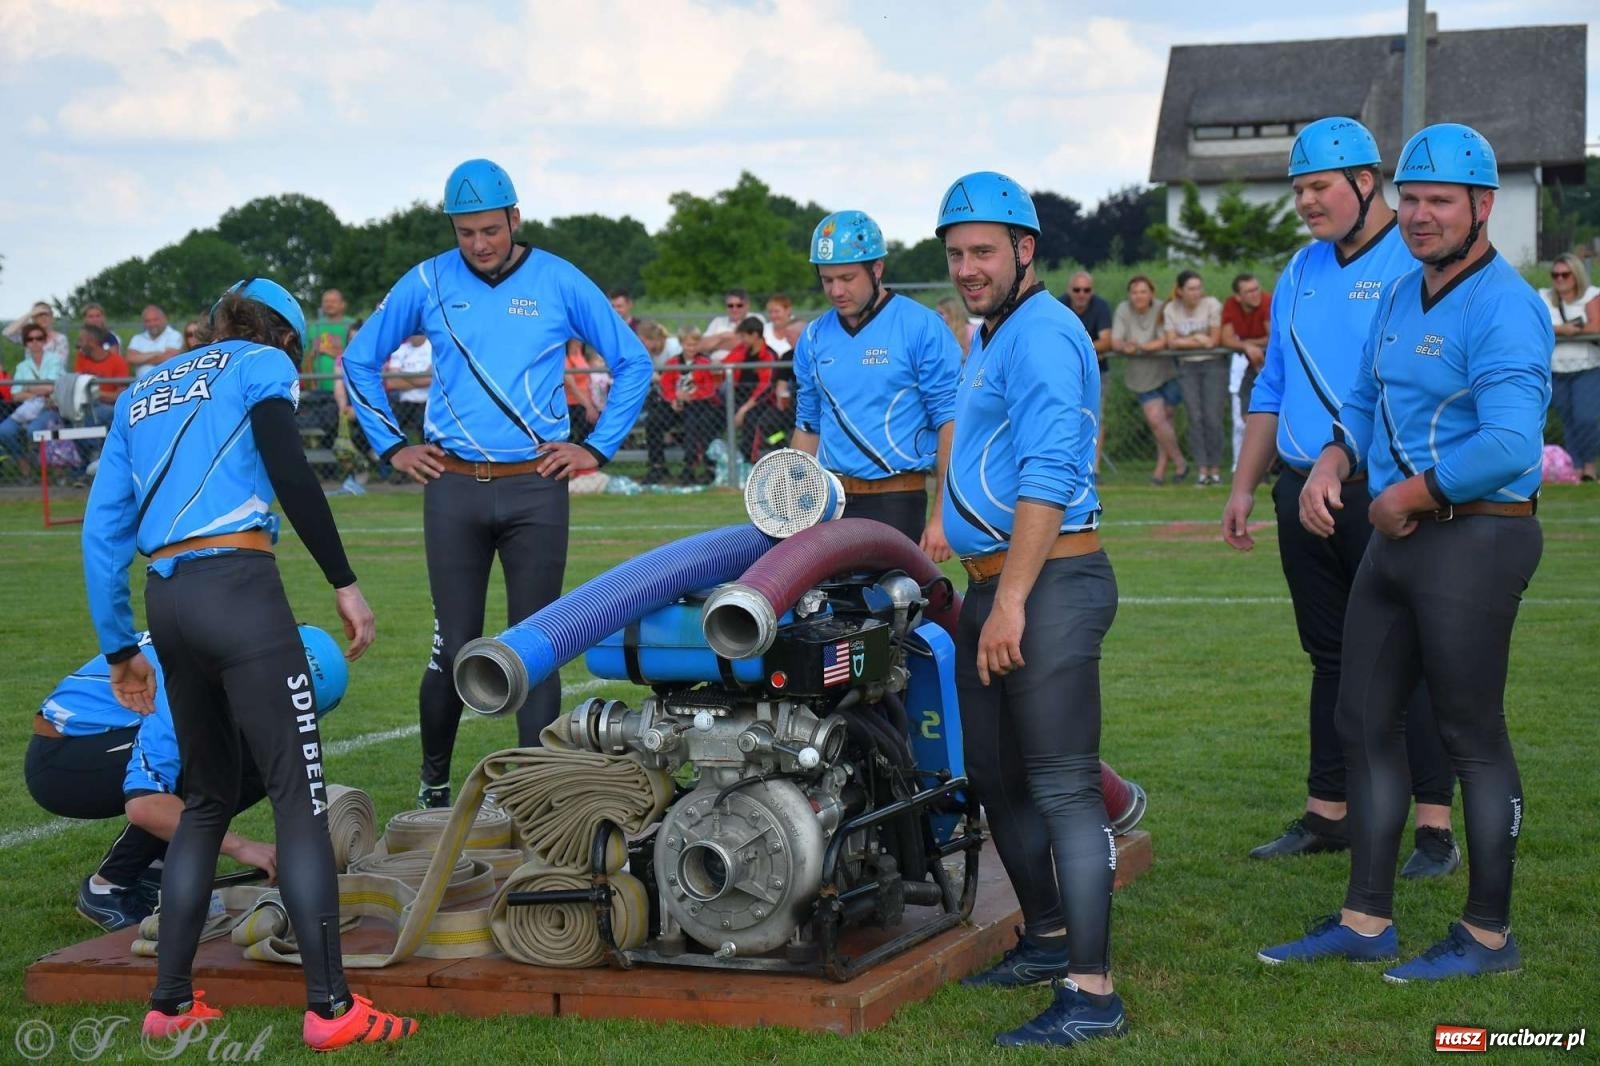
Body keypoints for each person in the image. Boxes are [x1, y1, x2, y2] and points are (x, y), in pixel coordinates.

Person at [81, 277, 415, 1048]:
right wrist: (344, 582)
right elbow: (290, 469)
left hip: (166, 598)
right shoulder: (264, 366)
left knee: (203, 799)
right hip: (238, 587)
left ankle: (169, 1003)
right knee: (299, 799)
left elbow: (103, 532)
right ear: (285, 339)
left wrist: (120, 646)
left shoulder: (142, 389)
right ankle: (333, 1010)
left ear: (215, 320)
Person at [1262, 123, 1551, 982]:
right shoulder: (1403, 291)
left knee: (1470, 735)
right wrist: (1333, 459)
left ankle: (1488, 936)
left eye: (1441, 201)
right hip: (1402, 538)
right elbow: (1362, 396)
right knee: (1362, 719)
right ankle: (1365, 919)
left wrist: (1407, 495)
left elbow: (1510, 443)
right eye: (1413, 198)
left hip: (1477, 537)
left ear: (1482, 207)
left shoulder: (1507, 304)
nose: (1421, 216)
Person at [341, 158, 651, 809]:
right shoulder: (426, 281)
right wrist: (392, 446)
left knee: (535, 643)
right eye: (464, 232)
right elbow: (359, 358)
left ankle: (536, 795)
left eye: (489, 229)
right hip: (452, 488)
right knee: (454, 646)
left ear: (515, 217)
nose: (478, 244)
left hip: (536, 488)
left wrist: (595, 448)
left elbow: (632, 361)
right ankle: (433, 787)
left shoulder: (559, 279)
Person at [1222, 116, 1458, 874]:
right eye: (1297, 190)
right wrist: (1244, 485)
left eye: (1318, 186)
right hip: (1302, 490)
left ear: (1365, 182)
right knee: (1329, 656)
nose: (1305, 203)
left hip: (1388, 492)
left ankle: (1434, 829)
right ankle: (1330, 814)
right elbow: (1275, 384)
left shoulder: (1414, 260)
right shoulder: (1300, 269)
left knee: (1411, 656)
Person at [937, 172, 1126, 1047]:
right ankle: (1048, 936)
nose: (968, 266)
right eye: (956, 253)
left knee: (1059, 787)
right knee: (993, 776)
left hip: (1043, 586)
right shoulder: (996, 329)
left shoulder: (1044, 332)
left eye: (984, 250)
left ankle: (1092, 995)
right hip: (995, 586)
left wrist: (1011, 600)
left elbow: (1052, 472)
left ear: (1025, 250)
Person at [27, 628, 345, 932]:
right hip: (62, 763)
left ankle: (156, 868)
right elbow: (146, 806)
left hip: (98, 737)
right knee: (214, 754)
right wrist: (244, 847)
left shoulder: (238, 653)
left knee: (253, 751)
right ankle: (109, 888)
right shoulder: (184, 687)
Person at [791, 210, 959, 557]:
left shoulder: (922, 326)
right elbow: (808, 427)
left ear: (877, 268)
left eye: (847, 277)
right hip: (829, 500)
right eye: (827, 280)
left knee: (890, 606)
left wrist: (942, 517)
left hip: (897, 500)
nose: (837, 290)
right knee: (822, 609)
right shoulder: (813, 336)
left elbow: (951, 423)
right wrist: (793, 510)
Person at [1112, 275, 1186, 484]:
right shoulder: (1123, 310)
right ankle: (1180, 463)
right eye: (1135, 292)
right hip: (1141, 376)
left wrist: (1141, 347)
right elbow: (1116, 340)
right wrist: (1124, 347)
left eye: (1143, 291)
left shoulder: (1163, 308)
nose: (1139, 296)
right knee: (1157, 420)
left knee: (1165, 423)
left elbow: (1165, 340)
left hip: (1168, 372)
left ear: (1151, 293)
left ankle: (1160, 472)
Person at [1163, 270, 1226, 485]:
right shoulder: (1172, 308)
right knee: (1195, 417)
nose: (1196, 293)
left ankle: (1215, 469)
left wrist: (1187, 340)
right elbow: (1172, 342)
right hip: (1187, 366)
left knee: (1213, 417)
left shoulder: (1211, 305)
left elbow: (1215, 340)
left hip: (1213, 365)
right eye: (1190, 288)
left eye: (1198, 287)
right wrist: (1199, 338)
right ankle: (1202, 469)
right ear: (1180, 290)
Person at [1542, 252, 1600, 481]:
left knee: (1587, 418)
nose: (1559, 279)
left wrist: (1566, 329)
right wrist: (1563, 330)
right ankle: (1576, 468)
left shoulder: (1591, 295)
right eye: (1555, 275)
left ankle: (1589, 464)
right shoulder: (1545, 297)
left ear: (1576, 275)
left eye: (1565, 274)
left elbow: (1596, 324)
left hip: (1587, 367)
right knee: (1568, 420)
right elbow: (1539, 323)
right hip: (1556, 368)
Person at [0, 320, 70, 472]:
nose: (35, 342)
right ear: (26, 343)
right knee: (4, 431)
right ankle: (23, 461)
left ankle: (45, 467)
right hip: (27, 409)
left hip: (50, 407)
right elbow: (15, 395)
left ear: (44, 341)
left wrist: (28, 387)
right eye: (30, 339)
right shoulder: (22, 366)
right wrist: (39, 389)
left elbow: (52, 387)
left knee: (34, 430)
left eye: (39, 338)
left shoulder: (55, 360)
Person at [1061, 272, 1113, 471]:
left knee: (1096, 418)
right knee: (1067, 417)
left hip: (1097, 374)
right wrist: (1091, 350)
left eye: (1086, 290)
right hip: (1066, 374)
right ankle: (1068, 464)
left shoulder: (1100, 307)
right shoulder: (1059, 306)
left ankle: (1094, 468)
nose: (1081, 294)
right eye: (1077, 290)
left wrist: (1075, 350)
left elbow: (1107, 341)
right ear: (1069, 290)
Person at [1221, 273, 1271, 471]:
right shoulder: (1231, 306)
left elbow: (1272, 336)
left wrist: (1246, 343)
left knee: (1274, 416)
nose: (1254, 294)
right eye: (1248, 291)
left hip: (1272, 367)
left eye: (1256, 289)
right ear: (1238, 297)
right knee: (1246, 416)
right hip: (1250, 367)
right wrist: (1247, 347)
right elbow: (1225, 339)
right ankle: (1256, 466)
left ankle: (1267, 467)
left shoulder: (1268, 302)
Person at [727, 316, 785, 461]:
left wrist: (743, 409)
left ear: (754, 335)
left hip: (761, 403)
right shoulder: (742, 350)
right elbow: (725, 363)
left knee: (752, 420)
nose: (742, 340)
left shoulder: (769, 356)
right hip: (738, 396)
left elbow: (765, 389)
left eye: (744, 336)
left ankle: (749, 460)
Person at [383, 333, 434, 445]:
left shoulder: (433, 347)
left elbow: (431, 379)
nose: (414, 334)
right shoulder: (400, 350)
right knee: (390, 432)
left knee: (426, 439)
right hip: (403, 403)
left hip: (427, 403)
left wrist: (401, 374)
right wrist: (420, 377)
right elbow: (392, 382)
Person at [125, 305, 183, 378]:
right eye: (148, 321)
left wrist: (140, 359)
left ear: (164, 319)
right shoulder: (137, 338)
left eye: (155, 320)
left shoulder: (174, 335)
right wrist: (156, 353)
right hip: (141, 385)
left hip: (166, 383)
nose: (152, 324)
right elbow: (130, 358)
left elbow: (168, 358)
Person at [4, 301, 70, 363]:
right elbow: (7, 333)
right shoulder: (29, 337)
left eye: (46, 314)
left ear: (52, 317)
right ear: (34, 319)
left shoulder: (60, 339)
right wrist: (29, 314)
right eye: (39, 314)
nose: (44, 317)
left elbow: (60, 362)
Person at [936, 296, 975, 361]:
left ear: (952, 313)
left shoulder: (972, 331)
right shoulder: (940, 331)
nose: (938, 317)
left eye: (941, 313)